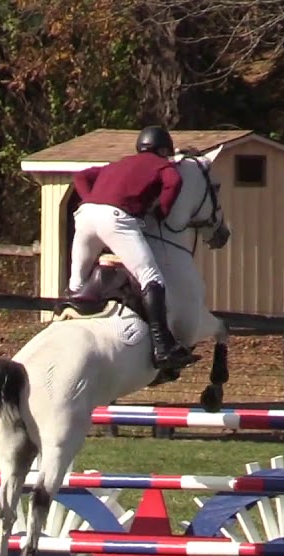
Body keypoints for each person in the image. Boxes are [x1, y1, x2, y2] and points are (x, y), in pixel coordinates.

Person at [64, 124, 197, 371]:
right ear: (164, 150)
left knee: (76, 285)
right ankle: (162, 346)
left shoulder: (118, 163)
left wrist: (91, 199)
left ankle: (60, 326)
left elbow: (80, 176)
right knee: (152, 279)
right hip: (116, 219)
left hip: (84, 215)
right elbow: (174, 182)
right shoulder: (162, 165)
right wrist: (163, 211)